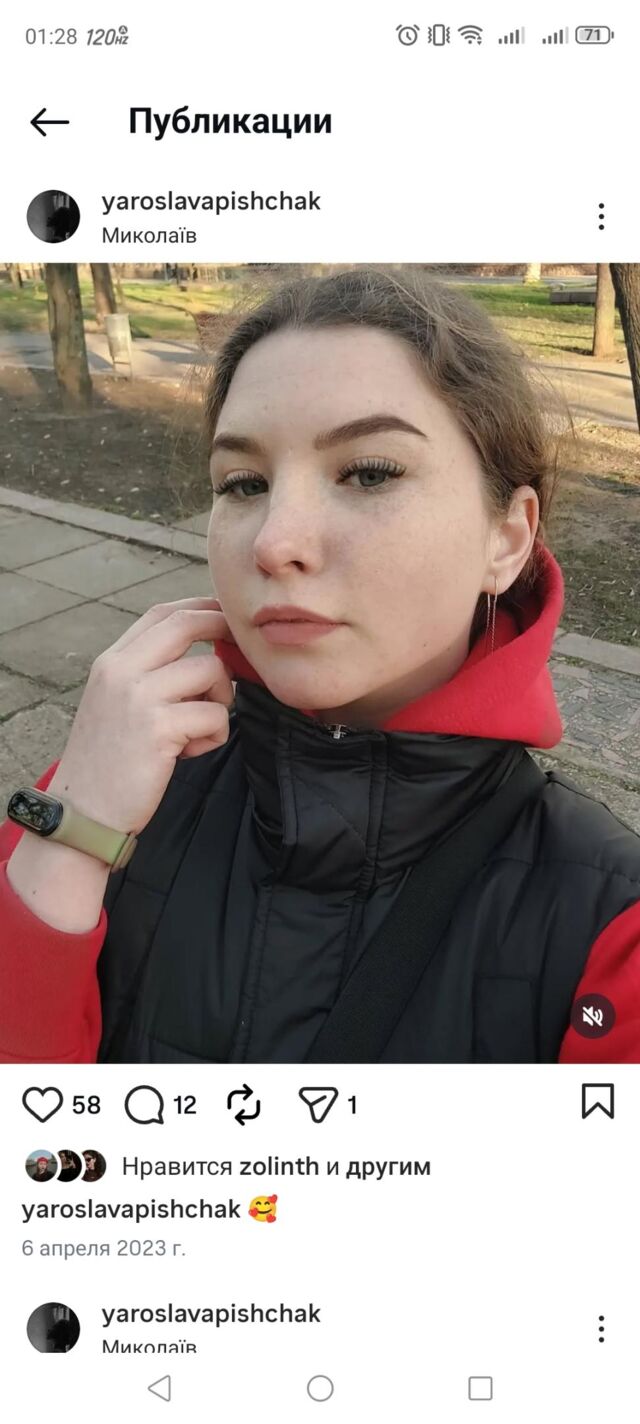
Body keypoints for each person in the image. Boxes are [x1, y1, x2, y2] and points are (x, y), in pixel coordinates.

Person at [0, 267, 639, 1064]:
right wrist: (70, 838)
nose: (274, 542)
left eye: (369, 472)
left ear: (507, 538)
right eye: (244, 484)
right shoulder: (100, 794)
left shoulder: (612, 931)